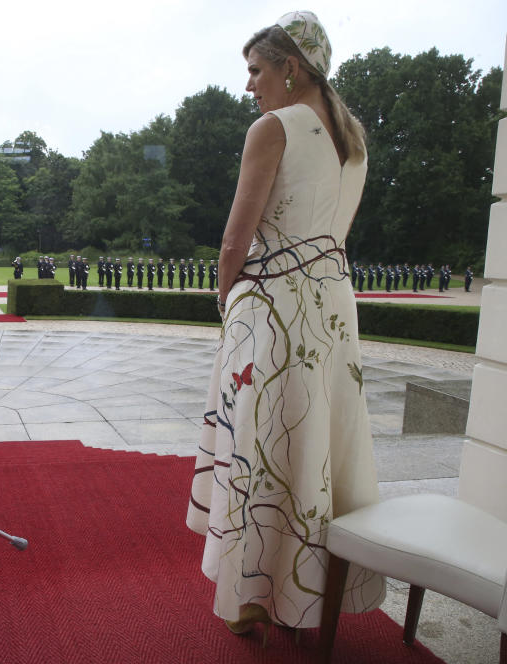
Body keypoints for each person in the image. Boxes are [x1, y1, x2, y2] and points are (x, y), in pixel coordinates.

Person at [186, 11, 384, 637]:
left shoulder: (273, 128)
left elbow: (233, 242)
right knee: (315, 449)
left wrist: (226, 303)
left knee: (262, 450)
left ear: (290, 68)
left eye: (255, 70)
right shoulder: (353, 141)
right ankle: (304, 600)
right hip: (333, 311)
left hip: (271, 309)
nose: (250, 86)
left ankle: (251, 599)